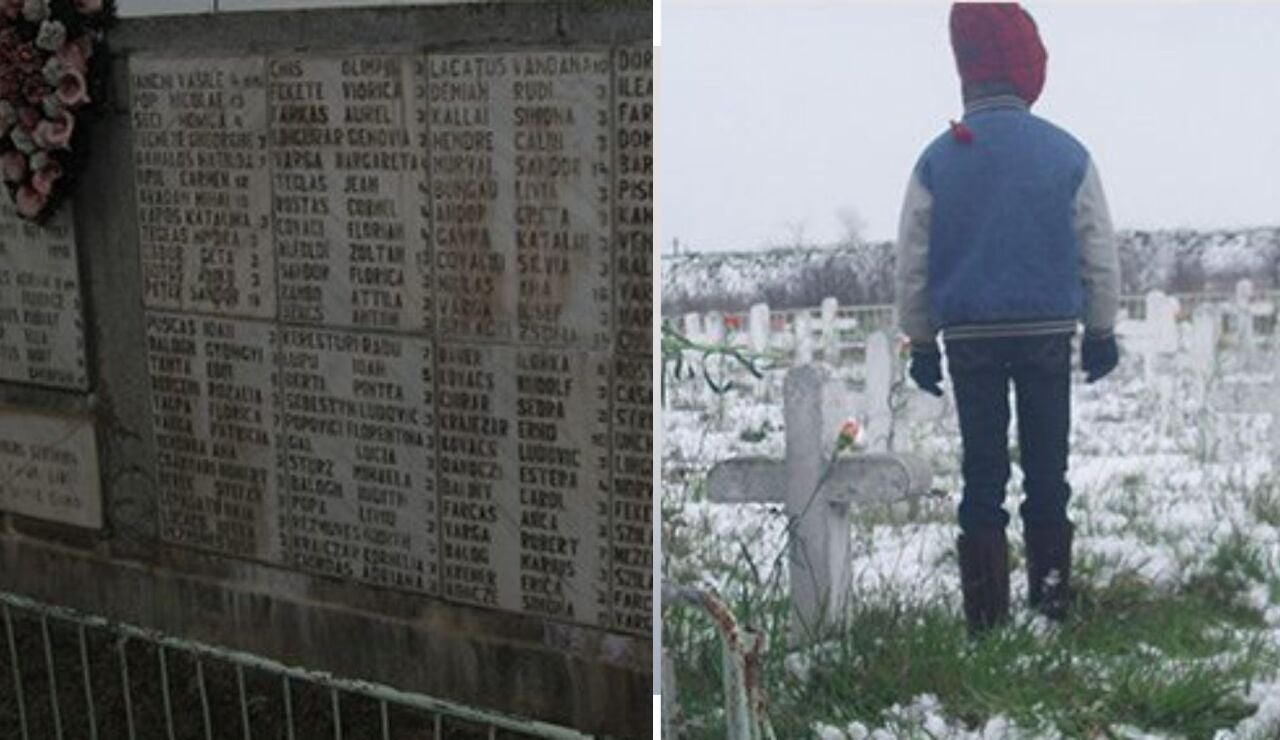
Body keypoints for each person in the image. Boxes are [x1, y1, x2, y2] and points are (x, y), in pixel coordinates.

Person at [894, 2, 1121, 636]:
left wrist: (922, 341)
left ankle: (986, 618)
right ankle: (1050, 603)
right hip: (1047, 333)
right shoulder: (1065, 153)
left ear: (966, 70)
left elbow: (913, 259)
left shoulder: (938, 159)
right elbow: (1097, 248)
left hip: (970, 339)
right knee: (1048, 471)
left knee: (983, 473)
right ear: (1026, 70)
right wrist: (1101, 330)